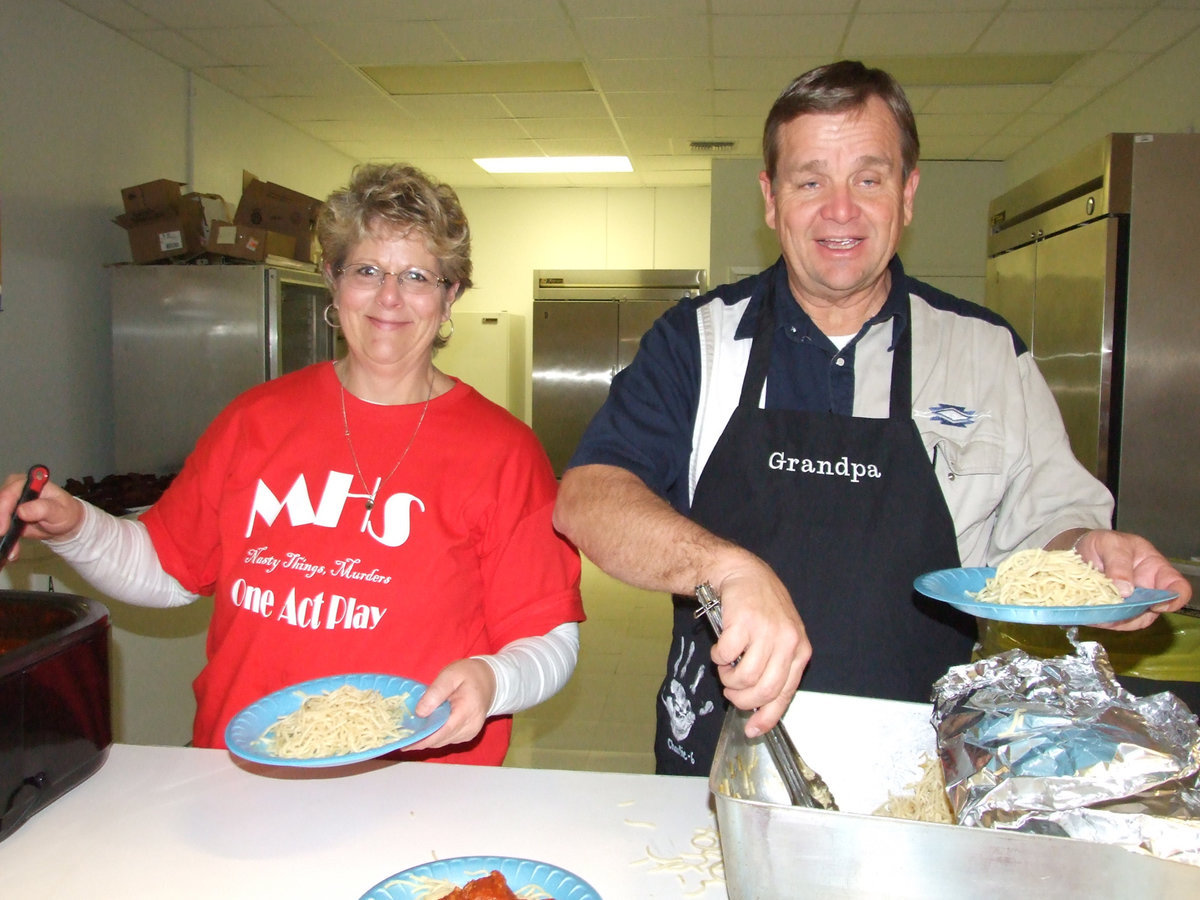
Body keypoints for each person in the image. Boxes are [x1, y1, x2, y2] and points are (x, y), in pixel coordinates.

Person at [552, 60, 1193, 777]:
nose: (840, 211)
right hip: (721, 761)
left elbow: (1048, 523)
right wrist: (723, 567)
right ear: (769, 199)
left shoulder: (985, 353)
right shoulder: (696, 341)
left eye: (869, 178)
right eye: (810, 180)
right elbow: (588, 497)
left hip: (921, 761)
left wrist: (1087, 552)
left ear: (907, 193)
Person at [1, 162, 584, 766]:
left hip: (417, 786)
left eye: (416, 275)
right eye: (366, 270)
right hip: (244, 773)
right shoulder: (257, 420)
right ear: (333, 280)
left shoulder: (502, 451)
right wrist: (76, 527)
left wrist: (494, 679)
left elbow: (549, 639)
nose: (389, 297)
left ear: (450, 295)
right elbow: (167, 571)